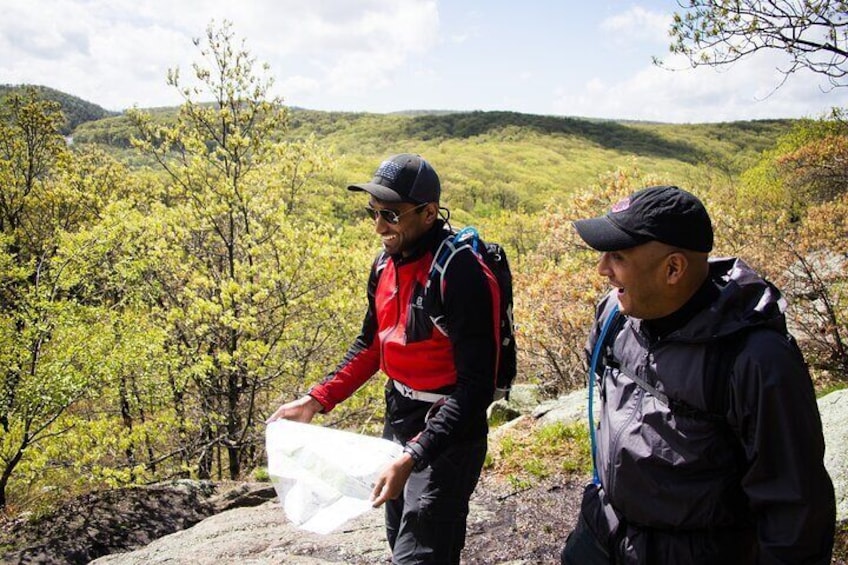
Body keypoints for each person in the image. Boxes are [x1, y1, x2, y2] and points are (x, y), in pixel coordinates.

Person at [562, 185, 835, 564]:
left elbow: (795, 511)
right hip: (601, 531)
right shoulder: (615, 315)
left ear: (673, 268)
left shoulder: (755, 360)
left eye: (618, 256)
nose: (602, 269)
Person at [266, 153, 499, 564]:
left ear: (429, 213)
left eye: (390, 214)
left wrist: (416, 454)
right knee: (398, 538)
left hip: (450, 432)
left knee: (420, 553)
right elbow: (372, 345)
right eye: (372, 212)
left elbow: (476, 387)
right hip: (400, 416)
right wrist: (316, 400)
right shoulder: (384, 264)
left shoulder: (459, 272)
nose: (379, 227)